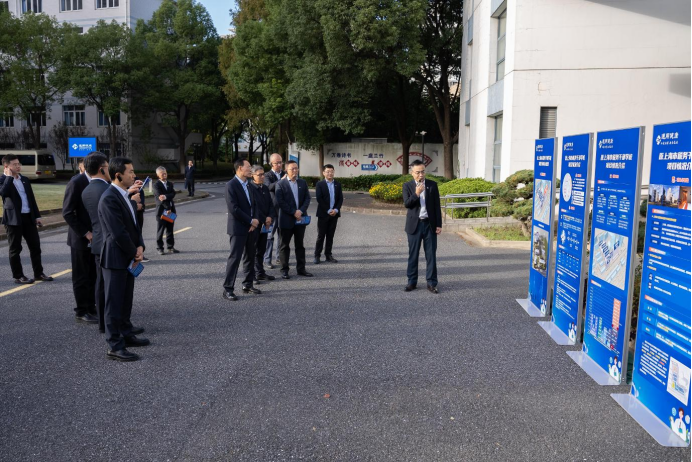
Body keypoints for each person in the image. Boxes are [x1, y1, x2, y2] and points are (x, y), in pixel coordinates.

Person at [98, 157, 149, 361]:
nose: (134, 175)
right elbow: (117, 232)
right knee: (114, 303)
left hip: (128, 255)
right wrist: (134, 252)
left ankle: (126, 334)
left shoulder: (126, 195)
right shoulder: (109, 198)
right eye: (130, 172)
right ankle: (114, 345)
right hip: (116, 258)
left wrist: (140, 245)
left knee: (126, 300)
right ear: (118, 175)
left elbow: (134, 226)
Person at [0, 154, 53, 285]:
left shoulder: (24, 179)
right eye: (14, 164)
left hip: (29, 217)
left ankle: (39, 273)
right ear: (6, 166)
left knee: (35, 247)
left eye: (19, 164)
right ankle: (18, 276)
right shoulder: (3, 179)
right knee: (15, 249)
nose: (18, 166)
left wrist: (37, 216)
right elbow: (3, 193)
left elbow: (31, 199)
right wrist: (8, 177)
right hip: (13, 220)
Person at [62, 160, 97, 323]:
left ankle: (91, 305)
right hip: (80, 238)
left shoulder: (99, 182)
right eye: (105, 166)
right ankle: (81, 310)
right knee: (81, 276)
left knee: (93, 274)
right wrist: (85, 232)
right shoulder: (76, 182)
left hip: (96, 236)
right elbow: (67, 212)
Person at [223, 159, 261, 301]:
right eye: (248, 167)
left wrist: (254, 221)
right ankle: (228, 289)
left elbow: (255, 205)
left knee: (250, 256)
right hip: (238, 227)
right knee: (235, 258)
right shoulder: (231, 185)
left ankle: (248, 284)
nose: (251, 169)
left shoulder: (249, 185)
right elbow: (234, 209)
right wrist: (250, 220)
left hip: (251, 227)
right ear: (240, 168)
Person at [403, 159, 441, 293]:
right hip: (414, 225)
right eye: (418, 172)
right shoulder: (407, 186)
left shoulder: (432, 185)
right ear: (412, 173)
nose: (421, 175)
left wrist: (438, 224)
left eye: (423, 172)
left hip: (429, 224)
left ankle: (432, 283)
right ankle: (411, 282)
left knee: (431, 255)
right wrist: (417, 193)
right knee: (413, 255)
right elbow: (407, 204)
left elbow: (436, 206)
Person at [275, 160, 312, 279]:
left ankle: (301, 269)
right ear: (286, 170)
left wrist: (300, 211)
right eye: (292, 169)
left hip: (300, 219)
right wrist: (293, 212)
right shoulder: (280, 184)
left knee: (300, 245)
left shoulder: (302, 182)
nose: (295, 171)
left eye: (296, 168)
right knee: (284, 246)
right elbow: (280, 202)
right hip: (286, 219)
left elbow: (307, 198)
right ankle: (284, 270)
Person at [248, 165, 276, 284]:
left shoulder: (264, 188)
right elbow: (254, 208)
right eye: (259, 175)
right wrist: (265, 219)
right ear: (252, 175)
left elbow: (270, 204)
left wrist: (270, 217)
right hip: (255, 224)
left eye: (263, 174)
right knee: (252, 251)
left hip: (265, 224)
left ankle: (260, 272)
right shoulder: (250, 188)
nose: (262, 176)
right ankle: (252, 275)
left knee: (261, 249)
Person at [313, 164, 343, 264]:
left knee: (330, 236)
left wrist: (336, 210)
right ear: (324, 173)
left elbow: (340, 199)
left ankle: (328, 255)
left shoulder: (337, 184)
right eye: (328, 171)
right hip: (323, 214)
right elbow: (319, 199)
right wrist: (328, 210)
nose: (330, 173)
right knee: (321, 236)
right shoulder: (320, 184)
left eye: (332, 171)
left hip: (334, 214)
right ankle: (317, 255)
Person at [263, 153, 284, 268]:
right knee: (269, 236)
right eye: (277, 163)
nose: (279, 165)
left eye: (280, 162)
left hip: (284, 210)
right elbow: (268, 187)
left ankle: (279, 257)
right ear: (271, 163)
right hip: (271, 210)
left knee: (282, 236)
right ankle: (267, 259)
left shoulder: (285, 173)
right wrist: (281, 181)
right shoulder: (267, 175)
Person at [153, 166, 179, 255]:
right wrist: (167, 208)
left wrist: (166, 196)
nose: (164, 175)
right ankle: (160, 248)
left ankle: (170, 247)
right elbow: (160, 198)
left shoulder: (169, 184)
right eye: (162, 173)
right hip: (162, 211)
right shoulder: (156, 185)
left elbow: (173, 193)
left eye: (165, 173)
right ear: (158, 174)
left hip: (170, 210)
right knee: (160, 230)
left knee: (170, 229)